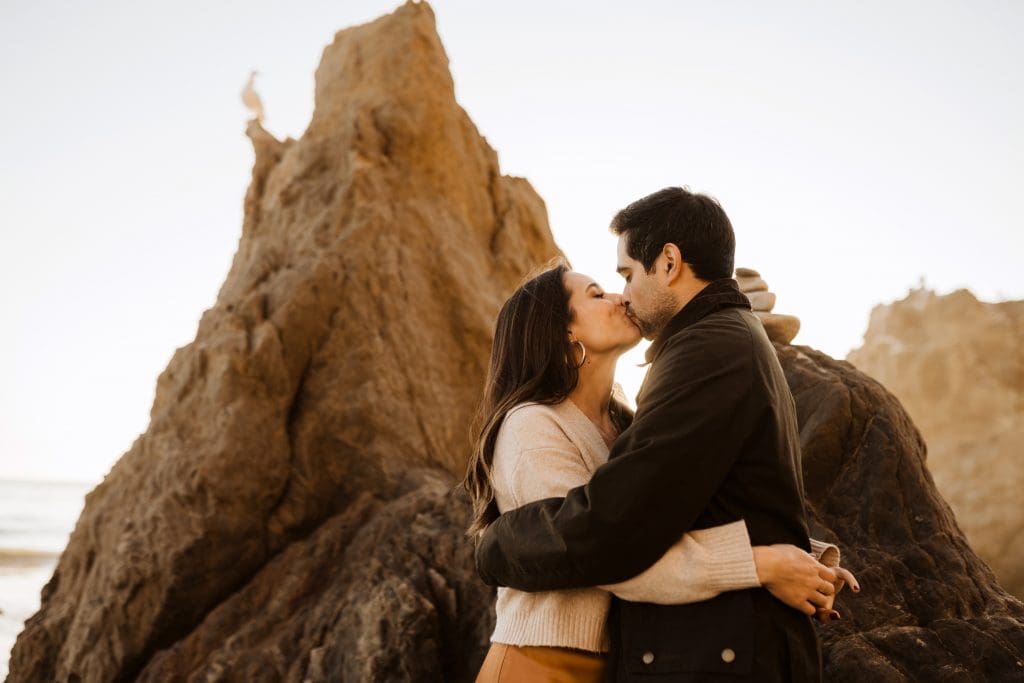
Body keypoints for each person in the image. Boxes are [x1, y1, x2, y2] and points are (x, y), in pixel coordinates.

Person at [474, 187, 859, 682]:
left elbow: (639, 525)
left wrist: (794, 555)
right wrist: (763, 563)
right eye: (601, 292)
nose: (622, 295)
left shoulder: (647, 399)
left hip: (608, 659)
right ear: (565, 333)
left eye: (626, 276)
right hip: (543, 661)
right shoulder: (533, 425)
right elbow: (611, 550)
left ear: (670, 262)